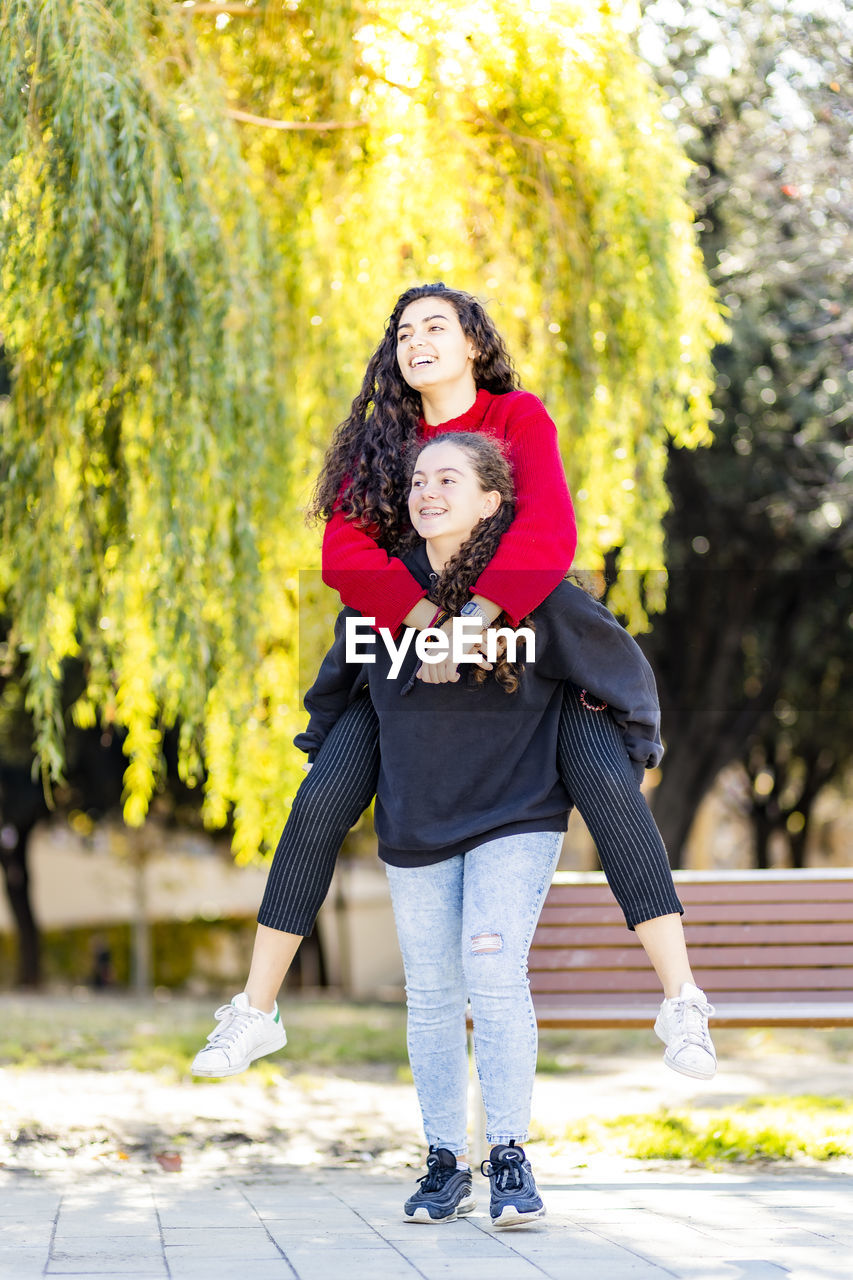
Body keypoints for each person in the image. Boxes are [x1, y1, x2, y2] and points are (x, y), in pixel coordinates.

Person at [191, 284, 715, 1090]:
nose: (416, 339)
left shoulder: (519, 420)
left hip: (527, 633)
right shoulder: (381, 439)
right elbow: (344, 556)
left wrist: (476, 615)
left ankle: (680, 1000)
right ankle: (255, 1011)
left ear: (474, 342)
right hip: (405, 649)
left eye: (436, 325)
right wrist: (426, 617)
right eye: (404, 331)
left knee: (610, 791)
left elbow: (548, 531)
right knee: (323, 797)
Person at [298, 432, 713, 1225]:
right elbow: (339, 682)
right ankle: (444, 1161)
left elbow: (623, 670)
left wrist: (629, 756)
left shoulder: (536, 590)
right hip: (415, 818)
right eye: (418, 479)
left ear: (492, 501)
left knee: (491, 978)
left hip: (515, 817)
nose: (424, 491)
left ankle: (510, 1154)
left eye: (447, 478)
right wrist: (327, 752)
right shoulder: (384, 594)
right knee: (429, 996)